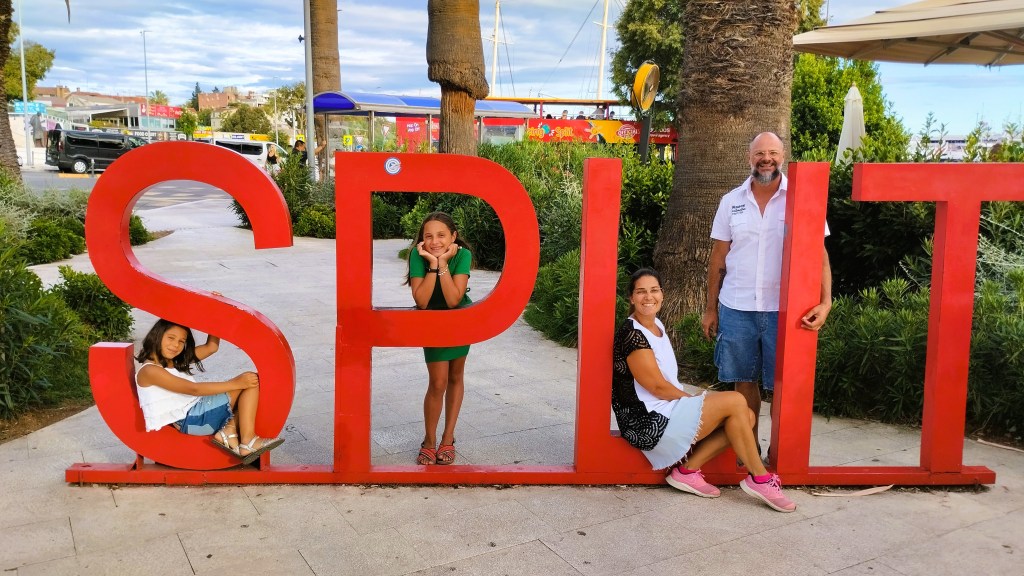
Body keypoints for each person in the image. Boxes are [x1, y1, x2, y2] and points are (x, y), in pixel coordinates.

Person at [614, 268, 797, 512]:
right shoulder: (632, 334)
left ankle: (687, 472)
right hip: (647, 423)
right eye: (641, 292)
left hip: (666, 411)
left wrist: (693, 404)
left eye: (654, 290)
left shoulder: (655, 324)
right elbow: (657, 387)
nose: (649, 297)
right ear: (631, 297)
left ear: (662, 294)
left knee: (747, 416)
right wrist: (693, 402)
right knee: (735, 401)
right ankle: (761, 479)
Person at [702, 131, 832, 460]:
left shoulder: (801, 198)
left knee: (784, 386)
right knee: (744, 383)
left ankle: (781, 453)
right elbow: (718, 258)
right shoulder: (731, 201)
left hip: (785, 310)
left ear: (783, 156)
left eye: (772, 152)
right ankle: (750, 452)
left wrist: (826, 301)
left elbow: (819, 254)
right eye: (760, 153)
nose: (766, 159)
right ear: (749, 157)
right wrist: (710, 308)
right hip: (737, 307)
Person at [134, 318, 284, 465]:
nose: (175, 345)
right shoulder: (150, 371)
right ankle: (248, 441)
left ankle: (229, 431)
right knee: (250, 382)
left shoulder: (173, 361)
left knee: (249, 382)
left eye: (181, 341)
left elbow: (211, 347)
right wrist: (234, 383)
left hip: (196, 412)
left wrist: (215, 317)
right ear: (157, 335)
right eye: (171, 338)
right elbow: (194, 389)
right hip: (192, 419)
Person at [405, 212, 473, 465]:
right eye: (429, 236)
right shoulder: (417, 255)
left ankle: (448, 438)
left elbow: (454, 299)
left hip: (459, 321)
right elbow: (422, 301)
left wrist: (443, 262)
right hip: (432, 322)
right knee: (437, 382)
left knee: (455, 377)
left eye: (441, 235)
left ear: (453, 236)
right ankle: (429, 440)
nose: (435, 241)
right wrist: (433, 264)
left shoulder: (463, 255)